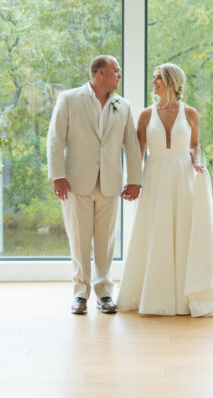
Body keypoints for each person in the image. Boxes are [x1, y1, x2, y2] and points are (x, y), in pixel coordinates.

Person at [116, 63, 213, 317]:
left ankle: (183, 295)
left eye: (159, 78)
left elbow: (195, 146)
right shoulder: (146, 115)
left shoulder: (190, 114)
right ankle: (153, 294)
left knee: (183, 229)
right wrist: (133, 181)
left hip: (183, 175)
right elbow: (137, 153)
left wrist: (197, 162)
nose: (154, 81)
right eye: (153, 77)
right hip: (155, 175)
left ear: (172, 82)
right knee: (154, 228)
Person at [47, 55, 143, 315]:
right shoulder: (68, 99)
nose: (119, 75)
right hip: (75, 182)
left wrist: (135, 180)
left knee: (106, 242)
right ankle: (80, 294)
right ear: (100, 73)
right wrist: (57, 175)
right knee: (78, 241)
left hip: (111, 183)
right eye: (116, 71)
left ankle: (104, 294)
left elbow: (132, 147)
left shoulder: (123, 105)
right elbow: (55, 139)